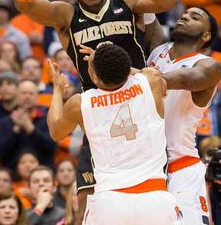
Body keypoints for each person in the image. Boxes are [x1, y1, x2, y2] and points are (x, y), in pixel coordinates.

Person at [13, 0, 181, 223]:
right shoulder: (65, 14)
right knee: (85, 201)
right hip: (97, 110)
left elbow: (169, 1)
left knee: (148, 185)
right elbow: (26, 4)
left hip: (137, 97)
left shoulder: (125, 0)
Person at [47, 43, 179, 224]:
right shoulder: (150, 81)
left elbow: (55, 131)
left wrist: (56, 89)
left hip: (110, 202)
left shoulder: (80, 103)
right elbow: (143, 73)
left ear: (94, 76)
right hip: (155, 197)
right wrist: (109, 63)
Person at [147, 7, 221, 224]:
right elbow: (149, 6)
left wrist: (135, 75)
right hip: (147, 168)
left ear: (206, 36)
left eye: (195, 17)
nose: (185, 16)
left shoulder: (208, 66)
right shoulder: (158, 50)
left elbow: (182, 78)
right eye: (185, 13)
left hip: (180, 166)